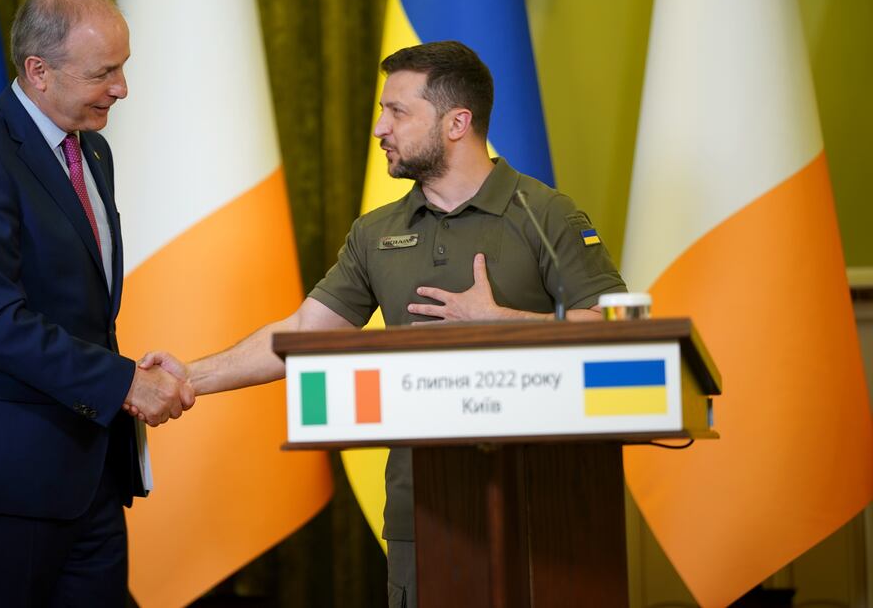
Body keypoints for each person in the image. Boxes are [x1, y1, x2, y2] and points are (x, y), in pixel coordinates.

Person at [136, 40, 626, 607]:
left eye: (397, 111)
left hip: (551, 505)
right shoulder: (375, 233)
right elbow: (301, 334)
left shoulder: (545, 215)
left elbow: (612, 330)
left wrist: (501, 323)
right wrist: (188, 377)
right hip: (423, 508)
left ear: (456, 122)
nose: (379, 128)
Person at [0, 0, 193, 607]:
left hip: (88, 475)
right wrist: (122, 383)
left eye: (123, 68)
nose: (121, 88)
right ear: (38, 71)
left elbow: (80, 308)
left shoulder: (94, 151)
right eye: (104, 73)